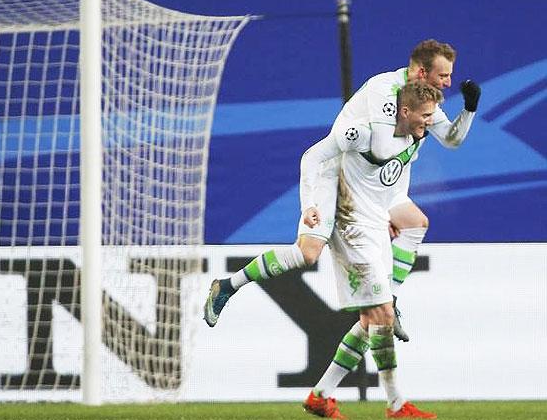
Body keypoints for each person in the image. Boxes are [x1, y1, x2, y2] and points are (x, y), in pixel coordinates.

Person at [203, 39, 481, 342]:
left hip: (371, 184)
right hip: (336, 176)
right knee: (307, 253)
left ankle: (392, 298)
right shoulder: (384, 90)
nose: (449, 82)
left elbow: (452, 140)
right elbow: (381, 147)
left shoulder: (422, 103)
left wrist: (469, 109)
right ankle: (228, 285)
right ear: (422, 72)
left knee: (415, 223)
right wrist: (316, 204)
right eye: (443, 76)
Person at [300, 81, 443, 419]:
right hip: (351, 228)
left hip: (373, 225)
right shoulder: (362, 134)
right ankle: (395, 404)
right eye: (425, 116)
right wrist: (314, 206)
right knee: (381, 315)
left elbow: (385, 185)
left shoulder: (409, 141)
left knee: (372, 319)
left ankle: (321, 395)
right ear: (404, 112)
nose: (430, 122)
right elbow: (317, 157)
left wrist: (386, 213)